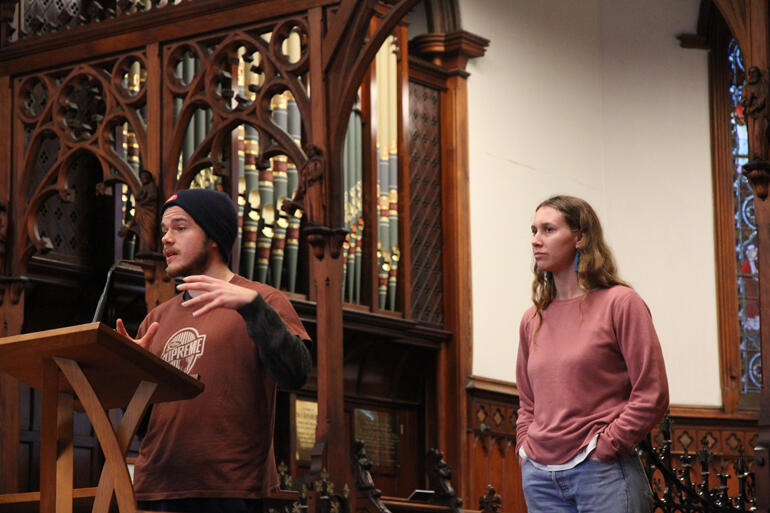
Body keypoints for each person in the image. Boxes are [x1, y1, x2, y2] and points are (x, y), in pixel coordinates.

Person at [116, 188, 312, 513]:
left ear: (214, 237)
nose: (166, 239)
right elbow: (145, 423)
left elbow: (295, 373)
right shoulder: (157, 318)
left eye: (180, 228)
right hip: (158, 485)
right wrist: (131, 371)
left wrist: (254, 310)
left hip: (229, 487)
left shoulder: (260, 299)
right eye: (164, 230)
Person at [515, 195, 668, 513]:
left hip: (601, 474)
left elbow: (652, 393)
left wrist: (606, 445)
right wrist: (524, 447)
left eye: (548, 230)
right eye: (533, 230)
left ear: (580, 237)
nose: (536, 241)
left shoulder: (621, 303)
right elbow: (528, 402)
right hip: (540, 479)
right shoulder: (533, 318)